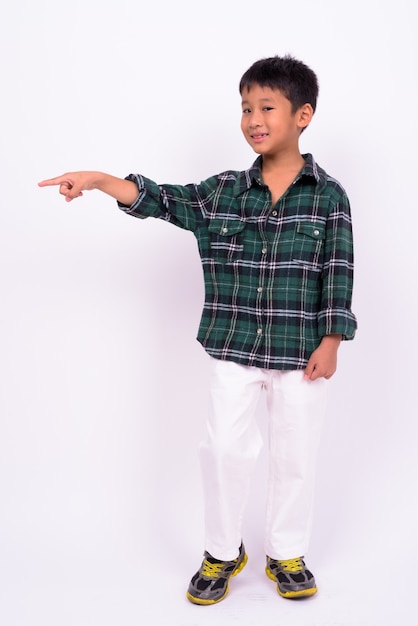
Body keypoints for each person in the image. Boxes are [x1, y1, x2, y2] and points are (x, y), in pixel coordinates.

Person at [39, 55, 357, 605]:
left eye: (267, 108)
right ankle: (221, 550)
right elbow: (163, 199)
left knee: (295, 453)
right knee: (223, 450)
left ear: (303, 114)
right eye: (245, 108)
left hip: (302, 349)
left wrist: (331, 340)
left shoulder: (329, 197)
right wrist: (96, 180)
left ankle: (286, 552)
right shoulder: (223, 192)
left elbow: (339, 270)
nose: (253, 119)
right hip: (232, 346)